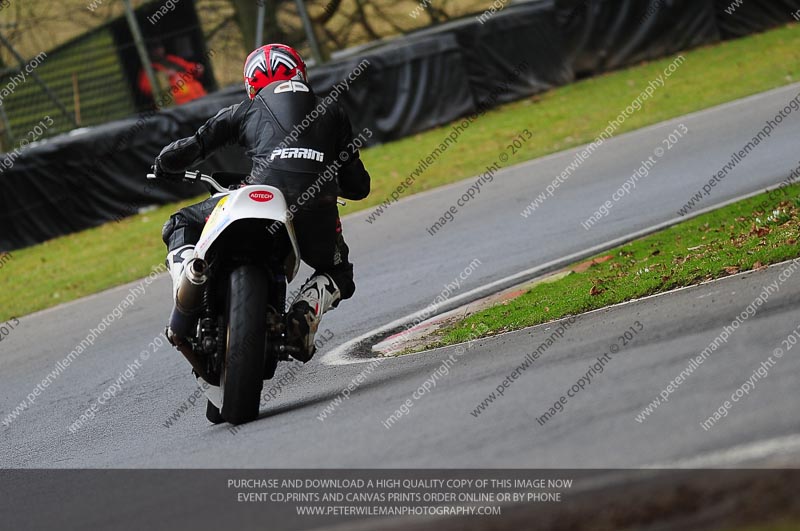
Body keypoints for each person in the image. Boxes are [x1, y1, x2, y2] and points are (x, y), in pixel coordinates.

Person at [153, 43, 371, 362]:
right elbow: (358, 185)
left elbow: (196, 145)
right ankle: (304, 311)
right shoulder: (333, 109)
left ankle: (192, 272)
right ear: (301, 73)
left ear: (251, 84)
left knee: (180, 222)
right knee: (339, 272)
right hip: (315, 205)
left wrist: (163, 165)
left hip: (259, 194)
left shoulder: (245, 109)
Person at [138, 42, 207, 105]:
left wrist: (197, 68)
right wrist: (163, 76)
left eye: (159, 47)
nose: (158, 50)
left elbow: (188, 66)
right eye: (154, 49)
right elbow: (145, 88)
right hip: (179, 103)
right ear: (148, 52)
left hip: (198, 95)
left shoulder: (171, 59)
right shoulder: (149, 69)